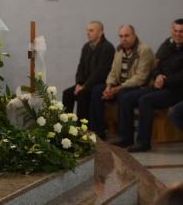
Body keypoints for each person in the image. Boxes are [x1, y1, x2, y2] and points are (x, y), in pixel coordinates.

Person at [115, 19, 183, 152]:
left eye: (181, 31)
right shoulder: (167, 45)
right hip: (161, 86)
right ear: (171, 31)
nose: (178, 34)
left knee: (145, 100)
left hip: (177, 91)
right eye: (175, 31)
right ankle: (125, 138)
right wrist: (157, 76)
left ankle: (143, 142)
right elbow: (156, 66)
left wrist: (165, 80)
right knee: (126, 97)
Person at [89, 25, 155, 139]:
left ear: (134, 36)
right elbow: (113, 71)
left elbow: (141, 78)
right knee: (96, 91)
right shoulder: (119, 50)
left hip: (140, 87)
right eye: (121, 36)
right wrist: (109, 86)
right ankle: (98, 132)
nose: (124, 39)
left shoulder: (144, 50)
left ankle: (124, 136)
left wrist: (117, 89)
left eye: (127, 36)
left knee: (122, 94)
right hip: (121, 85)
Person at [62, 21, 115, 120]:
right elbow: (81, 67)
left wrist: (84, 86)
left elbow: (101, 72)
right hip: (86, 83)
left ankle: (82, 128)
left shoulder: (107, 48)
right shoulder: (86, 47)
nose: (88, 33)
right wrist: (79, 83)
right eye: (87, 30)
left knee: (82, 94)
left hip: (100, 83)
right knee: (67, 93)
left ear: (100, 33)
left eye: (91, 30)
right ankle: (65, 126)